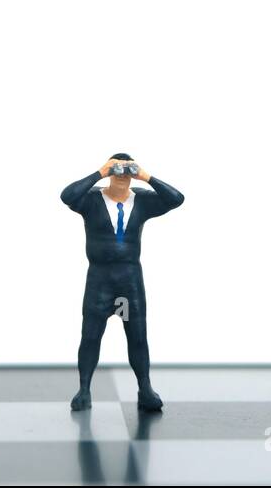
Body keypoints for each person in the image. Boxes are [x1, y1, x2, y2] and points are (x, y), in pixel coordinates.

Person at [60, 154, 184, 411]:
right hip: (99, 281)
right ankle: (84, 389)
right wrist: (99, 173)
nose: (121, 173)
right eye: (116, 168)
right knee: (91, 336)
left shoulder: (142, 200)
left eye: (126, 170)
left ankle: (145, 388)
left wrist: (146, 176)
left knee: (137, 336)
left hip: (129, 282)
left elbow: (176, 199)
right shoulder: (91, 199)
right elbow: (67, 196)